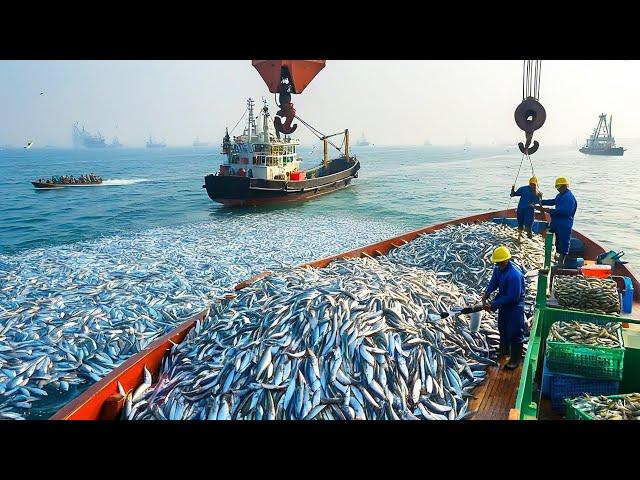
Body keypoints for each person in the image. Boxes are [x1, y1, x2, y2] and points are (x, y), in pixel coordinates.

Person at [481, 246, 526, 370]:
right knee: (503, 328)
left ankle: (515, 358)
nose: (499, 264)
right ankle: (504, 350)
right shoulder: (498, 269)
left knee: (515, 332)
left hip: (515, 307)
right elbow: (493, 282)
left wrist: (494, 304)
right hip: (504, 305)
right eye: (497, 262)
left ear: (507, 260)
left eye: (501, 262)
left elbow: (513, 297)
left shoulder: (514, 276)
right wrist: (486, 293)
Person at [535, 176, 577, 268]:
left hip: (564, 224)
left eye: (559, 187)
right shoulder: (560, 195)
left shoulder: (569, 197)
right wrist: (541, 202)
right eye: (557, 188)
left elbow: (565, 212)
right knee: (558, 241)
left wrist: (548, 210)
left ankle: (561, 262)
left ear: (565, 186)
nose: (558, 190)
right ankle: (557, 258)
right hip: (556, 222)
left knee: (564, 241)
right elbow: (553, 201)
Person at [510, 176, 542, 242]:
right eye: (531, 184)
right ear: (529, 183)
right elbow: (512, 195)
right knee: (520, 226)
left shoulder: (537, 193)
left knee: (528, 227)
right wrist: (512, 189)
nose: (532, 186)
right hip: (521, 210)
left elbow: (540, 203)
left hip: (529, 212)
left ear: (536, 184)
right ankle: (519, 239)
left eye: (534, 185)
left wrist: (540, 197)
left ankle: (529, 240)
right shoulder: (523, 189)